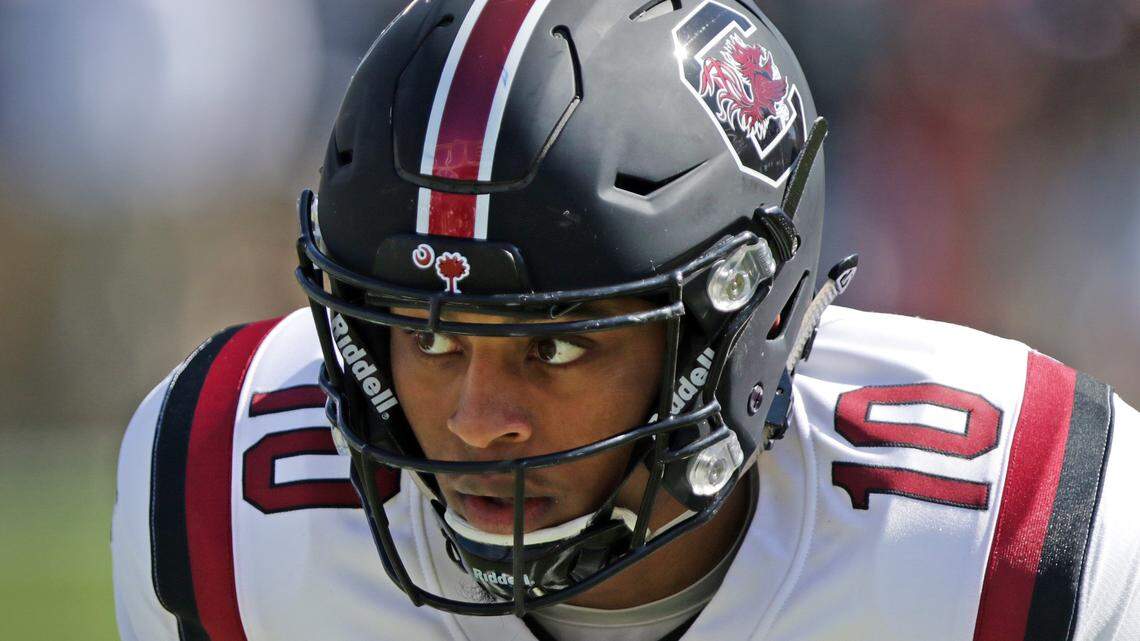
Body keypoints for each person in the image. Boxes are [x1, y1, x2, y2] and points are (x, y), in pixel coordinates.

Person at [111, 1, 1140, 639]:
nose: (477, 419)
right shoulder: (226, 499)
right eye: (427, 336)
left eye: (556, 344)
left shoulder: (1009, 538)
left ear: (736, 330)